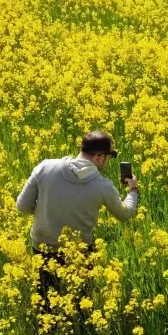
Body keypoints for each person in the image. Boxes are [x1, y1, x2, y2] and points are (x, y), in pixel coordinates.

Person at [15, 131, 139, 307]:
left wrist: (48, 211)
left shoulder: (45, 167)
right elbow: (124, 214)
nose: (109, 160)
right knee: (83, 303)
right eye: (110, 156)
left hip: (42, 247)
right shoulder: (103, 186)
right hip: (80, 252)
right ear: (100, 157)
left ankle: (49, 330)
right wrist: (133, 190)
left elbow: (22, 206)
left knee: (45, 301)